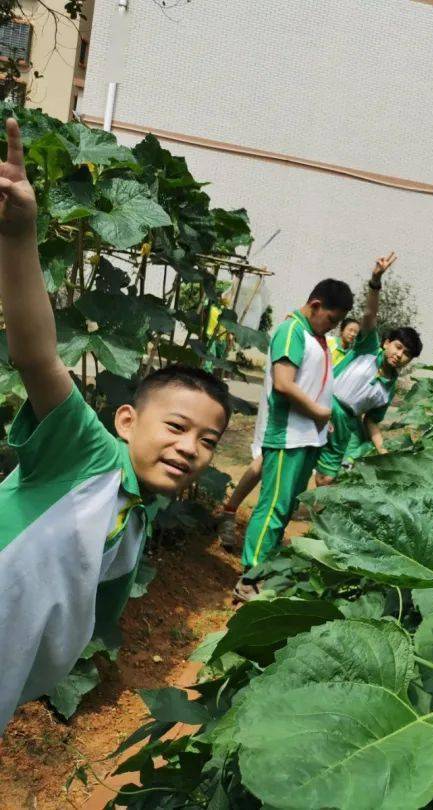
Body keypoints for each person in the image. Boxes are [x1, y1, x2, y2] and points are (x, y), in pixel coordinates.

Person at [0, 118, 232, 732]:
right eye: (178, 427)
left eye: (208, 442)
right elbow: (37, 354)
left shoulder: (139, 518)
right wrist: (21, 235)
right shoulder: (89, 454)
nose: (190, 448)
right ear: (126, 421)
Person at [236, 277, 353, 599]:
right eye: (331, 319)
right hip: (288, 436)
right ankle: (249, 577)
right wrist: (318, 412)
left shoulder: (315, 336)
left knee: (285, 508)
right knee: (273, 507)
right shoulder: (291, 331)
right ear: (316, 306)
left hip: (307, 438)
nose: (332, 328)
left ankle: (264, 569)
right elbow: (284, 384)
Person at [314, 252, 424, 484]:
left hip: (345, 423)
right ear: (386, 343)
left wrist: (383, 450)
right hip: (320, 403)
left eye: (406, 354)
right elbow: (369, 314)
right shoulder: (367, 348)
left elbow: (371, 420)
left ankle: (311, 514)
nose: (399, 355)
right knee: (299, 457)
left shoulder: (389, 388)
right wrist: (375, 282)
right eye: (398, 347)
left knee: (327, 477)